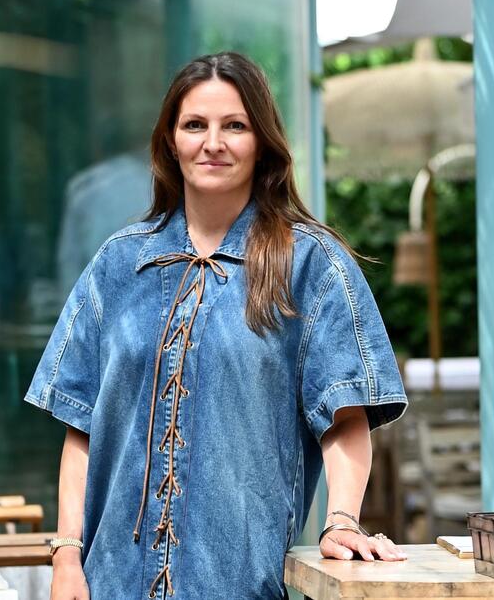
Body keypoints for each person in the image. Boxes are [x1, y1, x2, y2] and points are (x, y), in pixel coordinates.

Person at [25, 52, 409, 600]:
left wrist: (341, 520)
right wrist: (66, 557)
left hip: (241, 585)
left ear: (262, 142)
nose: (214, 142)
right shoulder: (117, 265)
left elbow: (345, 416)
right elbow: (81, 427)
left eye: (235, 126)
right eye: (195, 125)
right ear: (170, 142)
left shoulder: (310, 264)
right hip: (112, 584)